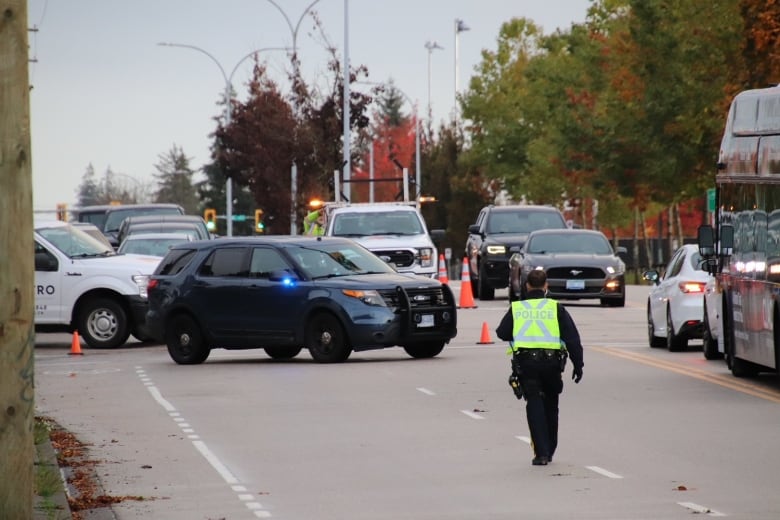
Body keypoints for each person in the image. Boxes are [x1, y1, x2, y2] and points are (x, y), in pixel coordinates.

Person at [496, 269, 584, 466]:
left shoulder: (518, 308)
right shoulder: (556, 308)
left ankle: (541, 453)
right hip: (552, 364)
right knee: (552, 405)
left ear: (527, 286)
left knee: (534, 404)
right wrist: (578, 365)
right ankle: (550, 449)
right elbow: (572, 339)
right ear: (546, 286)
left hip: (527, 364)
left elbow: (502, 332)